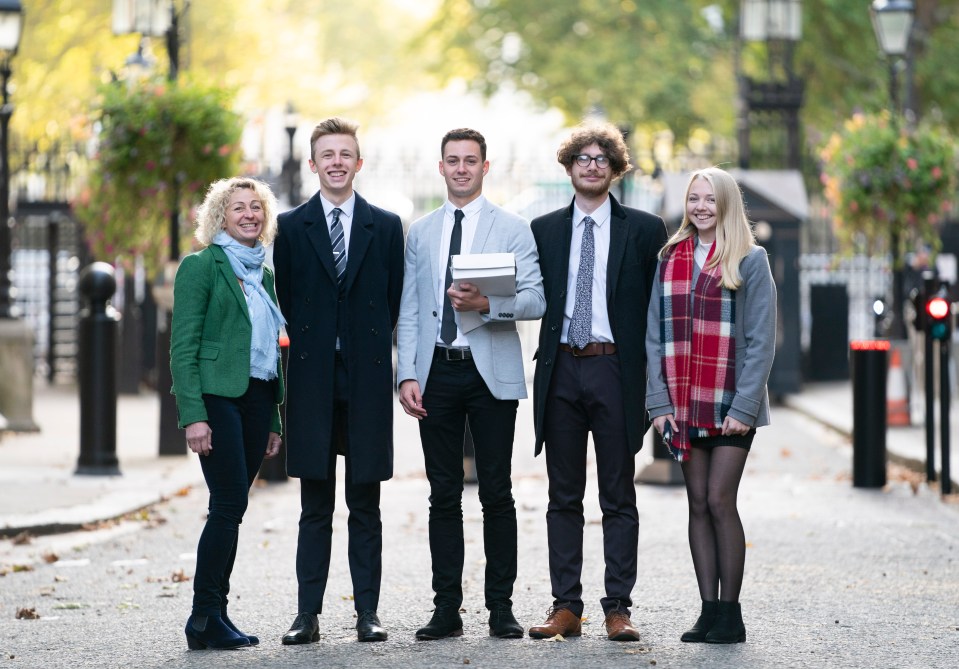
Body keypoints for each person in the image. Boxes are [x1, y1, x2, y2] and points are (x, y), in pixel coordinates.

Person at [397, 128, 545, 640]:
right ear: (440, 167)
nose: (461, 168)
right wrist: (408, 373)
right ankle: (446, 609)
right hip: (436, 371)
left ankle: (500, 607)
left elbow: (535, 300)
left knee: (497, 492)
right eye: (453, 161)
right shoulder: (420, 231)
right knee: (443, 494)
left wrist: (487, 306)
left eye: (470, 161)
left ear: (486, 167)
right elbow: (411, 308)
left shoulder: (513, 228)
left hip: (490, 373)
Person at [528, 123, 667, 642]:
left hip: (615, 369)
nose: (591, 165)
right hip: (561, 367)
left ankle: (618, 607)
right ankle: (566, 606)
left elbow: (660, 308)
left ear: (614, 168)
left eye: (601, 157)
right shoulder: (542, 230)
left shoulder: (646, 229)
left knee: (618, 492)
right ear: (568, 167)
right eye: (582, 158)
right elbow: (525, 294)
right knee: (563, 494)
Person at [273, 117, 404, 645]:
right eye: (326, 154)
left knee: (366, 504)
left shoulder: (387, 226)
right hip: (311, 383)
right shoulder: (288, 226)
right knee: (314, 506)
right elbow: (281, 296)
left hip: (367, 382)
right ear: (312, 163)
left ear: (358, 162)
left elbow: (393, 300)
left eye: (345, 153)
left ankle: (367, 613)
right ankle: (307, 615)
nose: (336, 162)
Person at [645, 167, 776, 644]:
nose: (701, 207)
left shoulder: (750, 259)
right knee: (697, 503)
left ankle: (731, 613)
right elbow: (653, 336)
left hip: (730, 402)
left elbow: (762, 341)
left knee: (721, 500)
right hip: (683, 399)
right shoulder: (670, 257)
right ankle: (707, 611)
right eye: (693, 198)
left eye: (709, 199)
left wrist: (744, 406)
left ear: (725, 204)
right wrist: (658, 401)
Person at [171, 176, 286, 650]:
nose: (248, 215)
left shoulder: (264, 273)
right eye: (238, 207)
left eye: (256, 208)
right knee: (228, 503)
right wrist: (193, 415)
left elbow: (273, 349)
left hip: (257, 397)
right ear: (220, 215)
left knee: (234, 507)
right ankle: (203, 616)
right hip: (217, 398)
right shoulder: (201, 267)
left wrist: (276, 418)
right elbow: (183, 348)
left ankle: (215, 614)